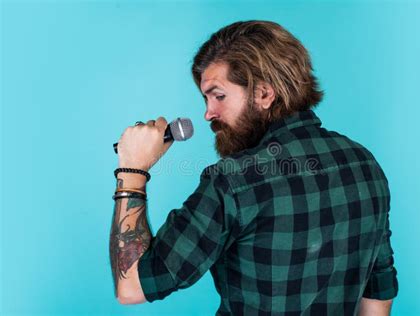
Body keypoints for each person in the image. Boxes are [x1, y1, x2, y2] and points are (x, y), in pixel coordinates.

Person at [109, 20, 399, 315]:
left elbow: (132, 286)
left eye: (218, 95)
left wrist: (132, 171)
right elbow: (378, 295)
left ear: (263, 94)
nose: (209, 114)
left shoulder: (233, 182)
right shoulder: (364, 164)